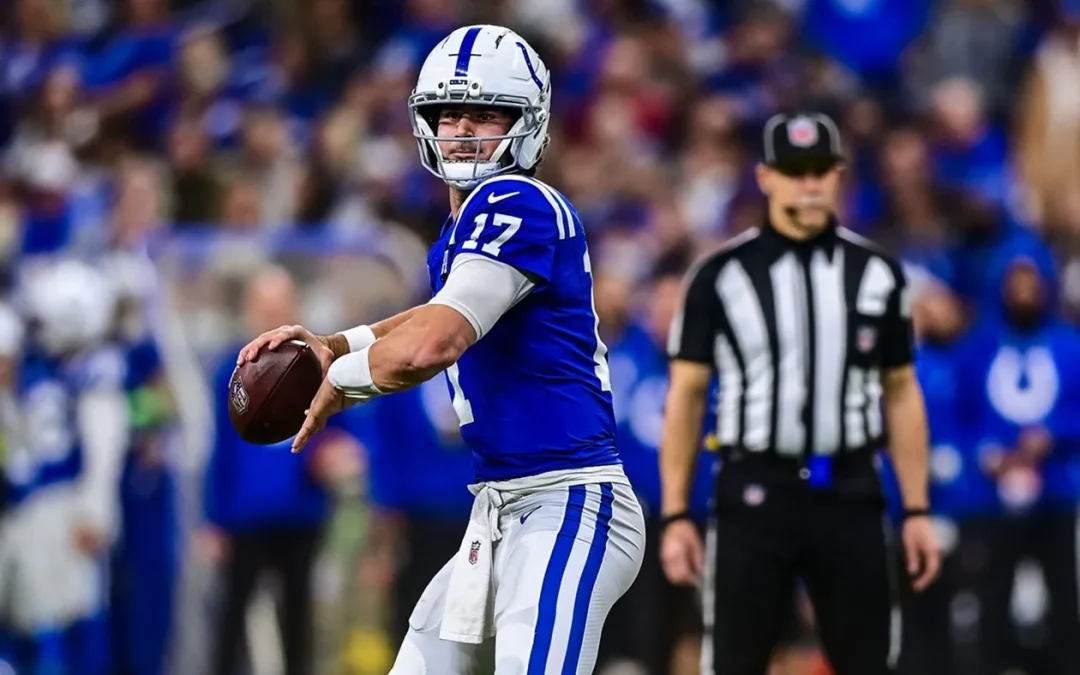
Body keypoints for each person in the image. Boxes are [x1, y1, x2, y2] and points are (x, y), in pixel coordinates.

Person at [238, 24, 646, 674]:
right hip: (500, 509)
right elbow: (430, 317)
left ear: (529, 122)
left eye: (484, 114)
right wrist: (335, 344)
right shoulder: (462, 227)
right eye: (449, 114)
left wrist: (339, 377)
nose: (461, 130)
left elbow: (434, 342)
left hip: (567, 503)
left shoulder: (518, 201)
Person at [659, 111, 941, 675]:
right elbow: (686, 395)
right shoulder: (719, 276)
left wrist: (915, 508)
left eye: (819, 170)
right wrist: (676, 514)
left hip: (850, 490)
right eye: (794, 171)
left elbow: (901, 390)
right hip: (753, 491)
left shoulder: (878, 274)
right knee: (735, 661)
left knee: (868, 662)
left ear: (839, 175)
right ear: (765, 177)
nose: (809, 184)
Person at [203, 267, 349, 675]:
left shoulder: (320, 367)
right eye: (264, 306)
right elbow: (220, 450)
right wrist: (214, 519)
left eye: (279, 305)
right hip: (246, 517)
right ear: (250, 310)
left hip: (301, 511)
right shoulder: (231, 371)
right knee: (232, 615)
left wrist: (334, 456)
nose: (271, 315)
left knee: (297, 618)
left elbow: (343, 432)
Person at [0, 258, 129, 675]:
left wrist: (95, 511)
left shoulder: (91, 371)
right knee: (36, 621)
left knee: (69, 620)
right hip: (30, 508)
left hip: (63, 509)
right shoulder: (45, 369)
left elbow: (104, 452)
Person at [957, 255, 1080, 675]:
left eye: (1032, 287)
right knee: (993, 589)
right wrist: (985, 451)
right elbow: (961, 414)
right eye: (1016, 287)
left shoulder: (1069, 345)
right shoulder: (979, 348)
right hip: (992, 495)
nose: (1024, 296)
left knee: (1062, 589)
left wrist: (1054, 434)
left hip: (1057, 489)